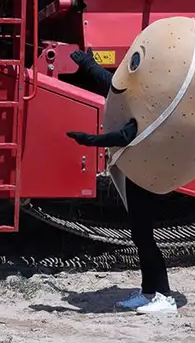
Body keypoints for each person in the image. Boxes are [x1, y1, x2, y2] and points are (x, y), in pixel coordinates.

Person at [65, 48, 178, 315]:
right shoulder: (144, 96)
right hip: (136, 172)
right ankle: (148, 292)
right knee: (140, 235)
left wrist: (88, 139)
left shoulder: (155, 107)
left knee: (145, 237)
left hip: (147, 176)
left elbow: (125, 135)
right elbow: (113, 87)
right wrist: (89, 65)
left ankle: (165, 296)